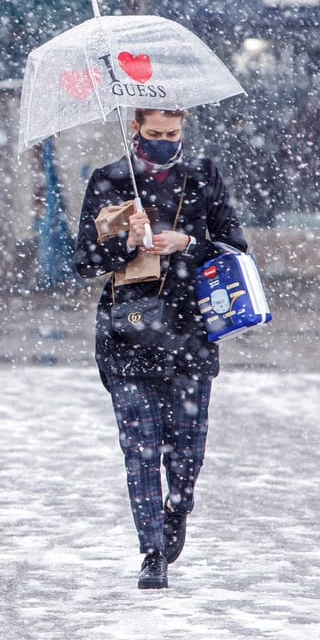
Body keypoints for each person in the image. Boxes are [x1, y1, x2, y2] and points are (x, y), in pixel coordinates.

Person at [72, 108, 248, 590]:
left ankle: (179, 506)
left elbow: (235, 247)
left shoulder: (202, 177)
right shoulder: (109, 180)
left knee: (188, 451)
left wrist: (186, 241)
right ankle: (151, 551)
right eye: (154, 134)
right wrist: (127, 244)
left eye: (173, 134)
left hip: (191, 332)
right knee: (140, 448)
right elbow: (84, 262)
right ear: (135, 129)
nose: (165, 142)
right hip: (128, 332)